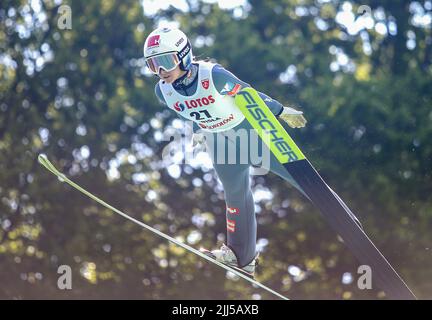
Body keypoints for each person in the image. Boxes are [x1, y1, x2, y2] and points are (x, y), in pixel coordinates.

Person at [144, 27, 307, 278]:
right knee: (235, 195)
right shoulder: (162, 91)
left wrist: (279, 110)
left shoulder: (214, 76)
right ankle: (242, 256)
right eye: (153, 65)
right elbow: (187, 108)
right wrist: (199, 129)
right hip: (219, 139)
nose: (161, 71)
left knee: (300, 178)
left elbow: (248, 95)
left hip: (248, 132)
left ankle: (345, 218)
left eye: (166, 61)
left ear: (184, 54)